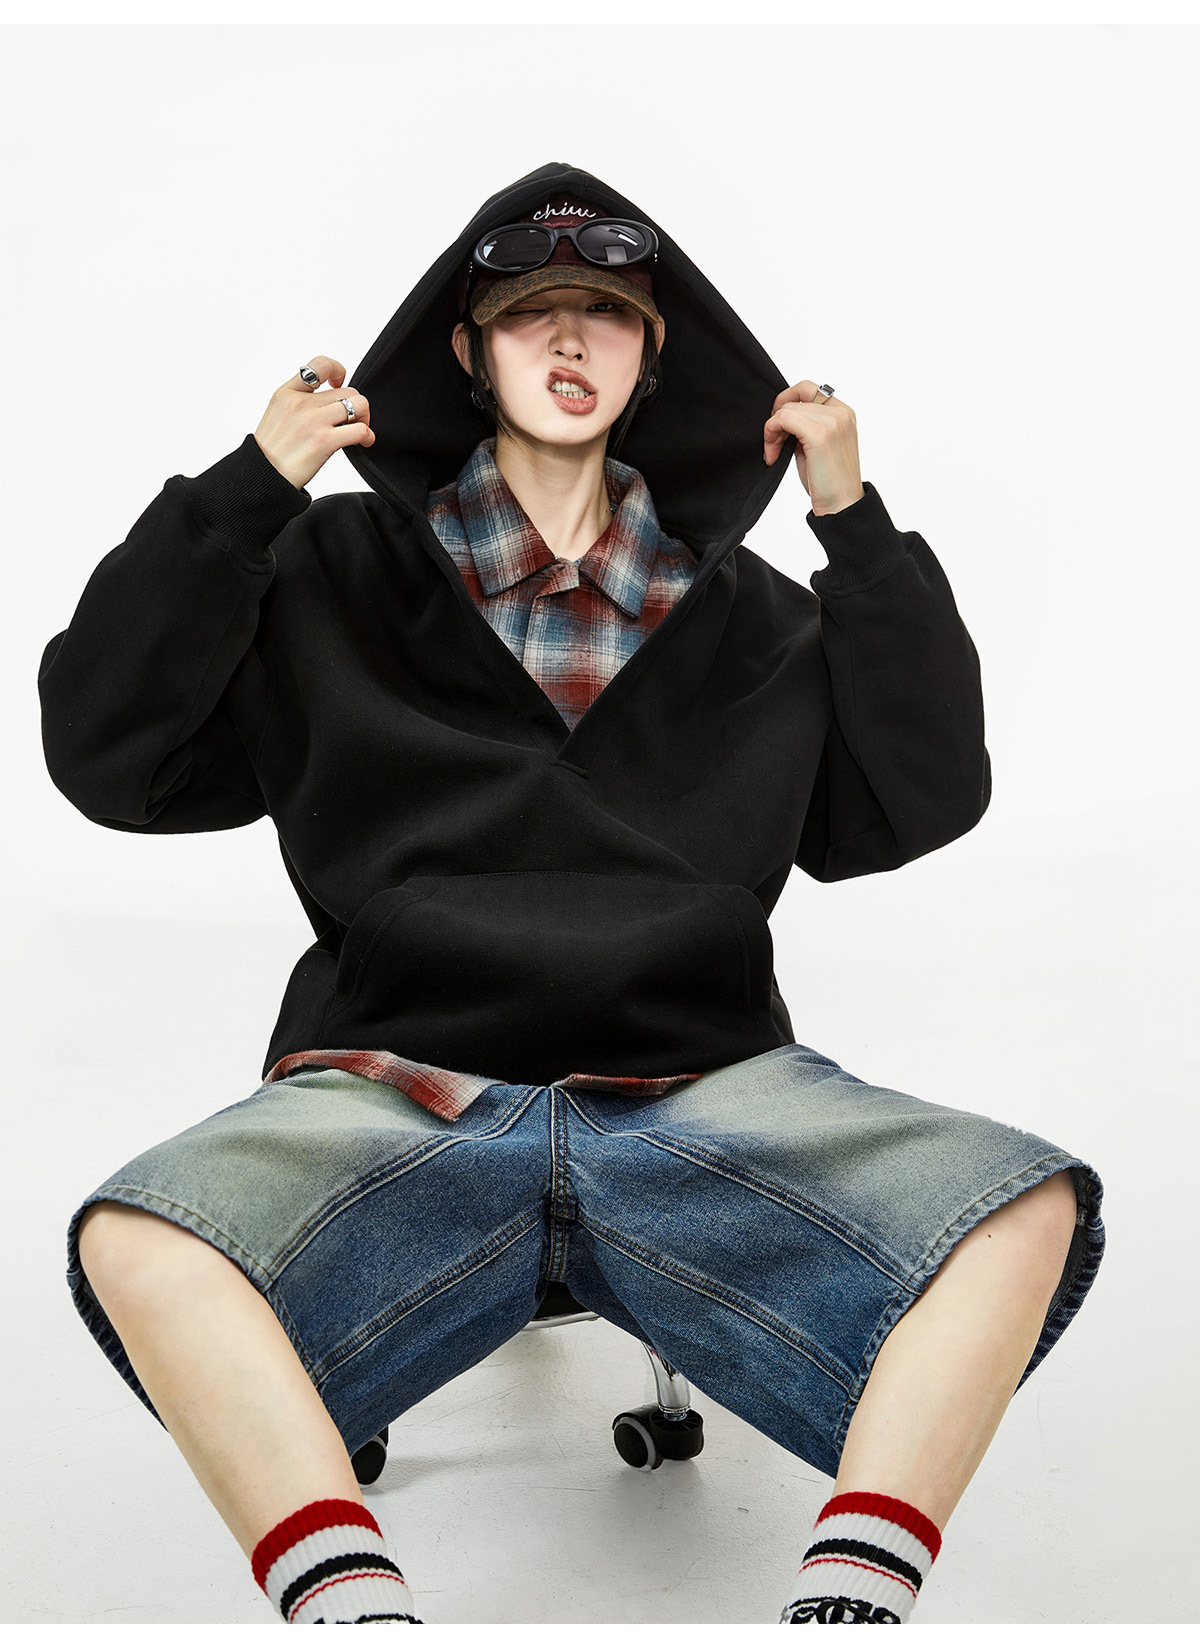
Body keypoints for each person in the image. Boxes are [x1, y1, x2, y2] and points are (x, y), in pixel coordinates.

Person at [38, 162, 1105, 1627]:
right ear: (468, 354)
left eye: (603, 313)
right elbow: (110, 755)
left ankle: (851, 1600)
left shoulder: (755, 616)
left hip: (698, 1089)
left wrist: (854, 524)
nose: (565, 338)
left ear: (651, 354)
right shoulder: (329, 570)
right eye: (527, 313)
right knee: (136, 1231)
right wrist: (242, 497)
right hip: (399, 1081)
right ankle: (354, 1605)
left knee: (1022, 1206)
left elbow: (918, 800)